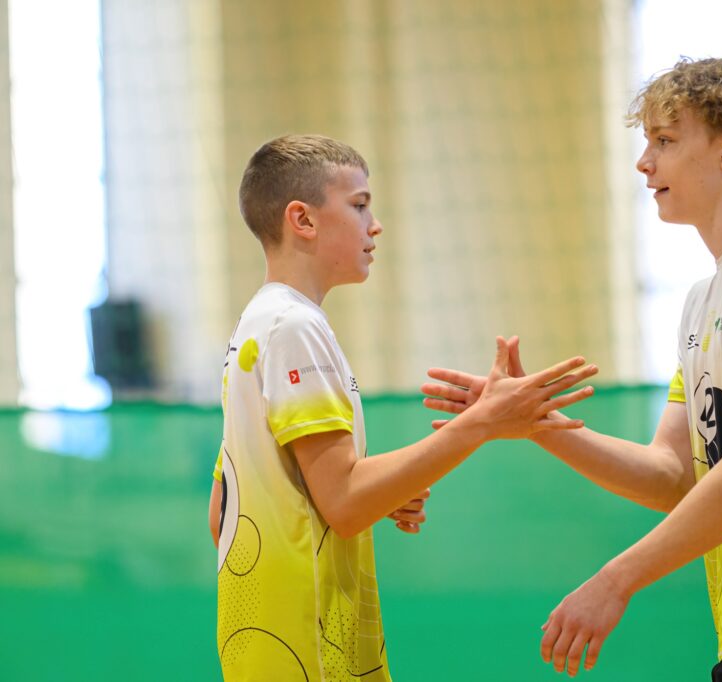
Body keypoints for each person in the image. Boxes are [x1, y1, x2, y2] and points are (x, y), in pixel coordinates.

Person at [422, 58, 722, 681]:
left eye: (665, 141)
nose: (644, 164)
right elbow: (673, 475)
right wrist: (534, 421)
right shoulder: (705, 298)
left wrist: (615, 580)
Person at [207, 134, 598, 681]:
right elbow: (344, 502)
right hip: (308, 650)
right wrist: (482, 422)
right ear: (303, 219)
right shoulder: (295, 327)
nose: (376, 225)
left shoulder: (257, 324)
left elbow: (223, 510)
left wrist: (382, 488)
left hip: (266, 647)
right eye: (360, 205)